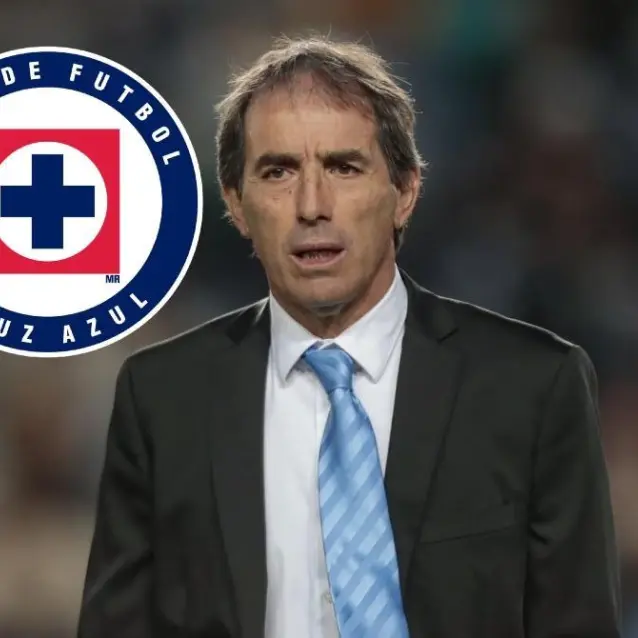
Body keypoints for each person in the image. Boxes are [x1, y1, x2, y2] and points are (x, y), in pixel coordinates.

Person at [77, 36, 622, 638]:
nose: (312, 205)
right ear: (236, 204)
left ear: (405, 192)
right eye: (278, 171)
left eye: (344, 167)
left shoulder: (534, 387)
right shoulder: (162, 397)